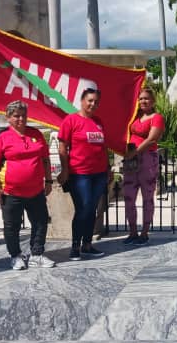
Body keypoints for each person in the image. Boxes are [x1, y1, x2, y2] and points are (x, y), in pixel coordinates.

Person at [0, 100, 54, 270]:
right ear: (8, 118)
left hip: (36, 191)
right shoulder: (2, 138)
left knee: (40, 222)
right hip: (11, 192)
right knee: (12, 226)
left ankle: (36, 254)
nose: (21, 119)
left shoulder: (36, 134)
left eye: (23, 115)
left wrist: (48, 180)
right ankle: (15, 255)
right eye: (16, 116)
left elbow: (45, 159)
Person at [57, 88, 108, 261]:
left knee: (92, 209)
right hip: (80, 174)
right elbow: (62, 146)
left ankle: (87, 245)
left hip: (99, 174)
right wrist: (64, 170)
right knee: (83, 209)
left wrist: (107, 170)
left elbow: (103, 147)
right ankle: (75, 246)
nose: (93, 104)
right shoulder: (71, 120)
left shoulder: (99, 121)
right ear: (82, 100)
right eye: (90, 100)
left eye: (96, 102)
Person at [122, 87, 165, 246]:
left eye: (146, 98)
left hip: (147, 159)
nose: (143, 101)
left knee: (147, 197)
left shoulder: (157, 117)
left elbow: (152, 139)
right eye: (140, 99)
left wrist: (135, 153)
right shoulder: (134, 118)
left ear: (153, 101)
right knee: (129, 197)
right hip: (131, 160)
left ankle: (145, 232)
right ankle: (132, 231)